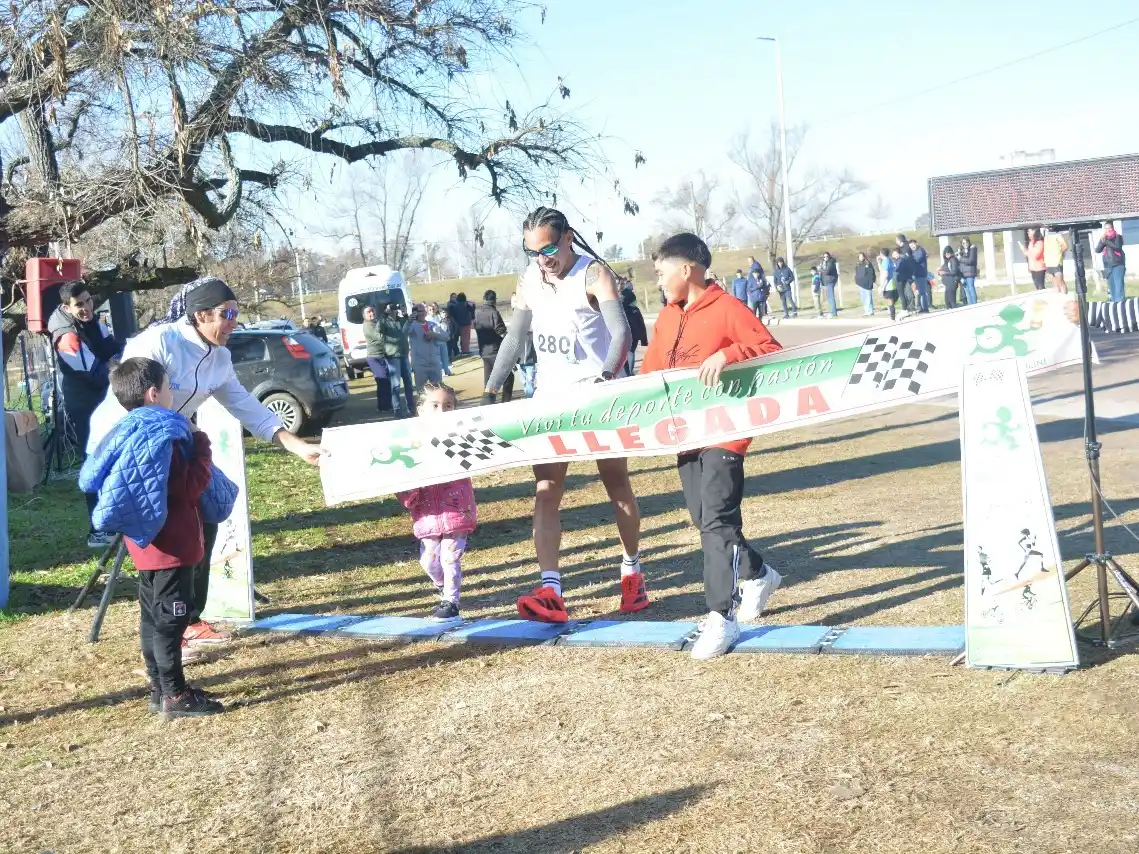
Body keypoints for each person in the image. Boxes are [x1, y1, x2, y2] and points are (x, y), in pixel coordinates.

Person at [86, 277, 324, 659]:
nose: (234, 322)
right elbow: (130, 396)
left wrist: (295, 445)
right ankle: (171, 631)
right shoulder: (160, 342)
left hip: (177, 444)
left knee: (212, 510)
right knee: (175, 535)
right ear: (200, 315)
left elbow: (244, 404)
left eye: (236, 313)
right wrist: (175, 432)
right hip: (133, 446)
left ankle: (189, 618)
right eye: (227, 314)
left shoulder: (221, 357)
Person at [483, 206, 644, 622]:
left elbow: (621, 331)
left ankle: (631, 573)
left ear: (568, 237)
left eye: (550, 248)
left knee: (616, 485)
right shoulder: (530, 279)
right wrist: (488, 392)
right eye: (532, 251)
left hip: (596, 396)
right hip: (550, 400)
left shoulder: (594, 274)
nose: (543, 259)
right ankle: (551, 589)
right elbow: (515, 339)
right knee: (546, 491)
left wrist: (607, 377)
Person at [639, 233, 784, 659]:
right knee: (706, 519)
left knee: (717, 520)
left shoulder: (727, 308)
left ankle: (722, 618)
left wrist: (730, 354)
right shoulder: (667, 316)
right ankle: (759, 575)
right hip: (685, 433)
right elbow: (651, 374)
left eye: (663, 272)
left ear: (686, 270)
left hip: (726, 430)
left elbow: (771, 349)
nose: (660, 280)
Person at [81, 357, 234, 717]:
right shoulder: (165, 434)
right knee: (171, 622)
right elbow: (187, 487)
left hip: (146, 544)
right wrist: (202, 445)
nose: (171, 393)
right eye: (168, 387)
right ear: (154, 393)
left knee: (152, 618)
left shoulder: (128, 429)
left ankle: (159, 689)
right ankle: (176, 695)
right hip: (172, 547)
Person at [48, 281, 124, 548]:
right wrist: (118, 367)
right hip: (85, 404)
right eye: (79, 304)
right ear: (66, 307)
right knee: (94, 460)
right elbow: (93, 373)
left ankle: (112, 521)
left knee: (113, 458)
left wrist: (119, 359)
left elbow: (112, 348)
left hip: (102, 398)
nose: (87, 308)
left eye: (89, 300)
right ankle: (97, 530)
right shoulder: (66, 336)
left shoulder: (93, 321)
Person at [396, 383, 477, 620]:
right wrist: (408, 496)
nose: (442, 411)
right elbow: (401, 477)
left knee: (450, 556)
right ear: (421, 409)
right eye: (435, 405)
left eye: (448, 406)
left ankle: (451, 601)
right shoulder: (409, 443)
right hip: (427, 515)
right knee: (429, 561)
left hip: (456, 510)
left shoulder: (461, 439)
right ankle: (443, 587)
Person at [474, 290, 514, 403]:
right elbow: (501, 330)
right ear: (494, 300)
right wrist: (510, 342)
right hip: (495, 351)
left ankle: (488, 405)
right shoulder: (493, 313)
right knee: (508, 377)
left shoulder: (477, 313)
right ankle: (505, 402)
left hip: (483, 351)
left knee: (488, 381)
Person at [380, 303, 416, 417]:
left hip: (404, 354)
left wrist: (406, 315)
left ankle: (411, 408)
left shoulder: (401, 320)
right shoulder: (384, 322)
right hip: (392, 355)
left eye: (395, 308)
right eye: (391, 309)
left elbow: (407, 329)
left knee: (408, 383)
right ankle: (397, 410)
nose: (393, 311)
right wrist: (384, 315)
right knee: (395, 385)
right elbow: (378, 329)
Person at [361, 306, 392, 413]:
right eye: (368, 312)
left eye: (372, 311)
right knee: (383, 380)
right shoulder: (367, 326)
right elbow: (380, 337)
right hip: (374, 357)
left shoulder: (377, 322)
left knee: (384, 381)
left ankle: (383, 406)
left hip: (383, 355)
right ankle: (386, 406)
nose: (371, 313)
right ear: (364, 316)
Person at [409, 304, 443, 391]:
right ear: (415, 313)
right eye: (420, 311)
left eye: (424, 310)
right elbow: (403, 332)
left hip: (434, 363)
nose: (423, 313)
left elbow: (444, 338)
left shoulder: (432, 324)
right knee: (421, 391)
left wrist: (434, 335)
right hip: (420, 364)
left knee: (438, 390)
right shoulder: (412, 326)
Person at [1095, 222, 1127, 302]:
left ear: (1113, 228)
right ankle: (1113, 303)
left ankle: (1120, 302)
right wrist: (1102, 241)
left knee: (1118, 285)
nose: (1108, 230)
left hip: (1118, 264)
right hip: (1108, 266)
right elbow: (1098, 250)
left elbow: (1117, 247)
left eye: (1109, 228)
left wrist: (1106, 241)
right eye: (1106, 228)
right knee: (1111, 286)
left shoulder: (1118, 237)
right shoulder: (1104, 239)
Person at [622, 287, 648, 375]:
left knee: (630, 353)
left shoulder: (633, 310)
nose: (635, 302)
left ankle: (629, 372)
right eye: (633, 300)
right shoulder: (622, 311)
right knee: (629, 353)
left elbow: (641, 325)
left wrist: (644, 340)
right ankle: (628, 372)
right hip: (627, 337)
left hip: (634, 337)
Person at [428, 305, 453, 376]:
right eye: (430, 309)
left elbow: (444, 328)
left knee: (445, 356)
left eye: (433, 309)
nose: (432, 310)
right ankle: (441, 372)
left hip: (442, 340)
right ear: (428, 311)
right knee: (438, 358)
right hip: (434, 341)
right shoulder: (427, 319)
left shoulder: (438, 317)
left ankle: (447, 370)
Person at [1043, 229, 1069, 295]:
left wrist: (1058, 253)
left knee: (1060, 281)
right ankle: (1057, 298)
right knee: (1054, 283)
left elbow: (1065, 246)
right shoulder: (1046, 235)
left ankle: (1065, 297)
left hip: (1056, 261)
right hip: (1048, 262)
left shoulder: (1057, 235)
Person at [908, 238, 931, 312]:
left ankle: (925, 308)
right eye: (910, 246)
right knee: (918, 292)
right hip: (915, 274)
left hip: (921, 274)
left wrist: (909, 259)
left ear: (916, 243)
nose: (912, 247)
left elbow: (917, 260)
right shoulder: (912, 252)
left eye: (913, 245)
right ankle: (920, 307)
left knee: (922, 292)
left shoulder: (921, 250)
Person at [937, 245, 961, 309]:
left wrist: (945, 273)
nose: (947, 255)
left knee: (951, 300)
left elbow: (954, 271)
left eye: (948, 253)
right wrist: (940, 272)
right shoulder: (947, 261)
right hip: (948, 283)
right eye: (945, 254)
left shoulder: (953, 260)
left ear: (951, 253)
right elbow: (945, 269)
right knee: (947, 301)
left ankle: (955, 312)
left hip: (952, 281)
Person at [450, 292, 474, 356]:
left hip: (458, 323)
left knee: (461, 338)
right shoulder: (466, 304)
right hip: (466, 323)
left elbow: (454, 314)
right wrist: (473, 305)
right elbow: (472, 310)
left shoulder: (456, 305)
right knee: (466, 338)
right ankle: (465, 351)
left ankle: (461, 350)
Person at [957, 237, 979, 305]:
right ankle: (970, 305)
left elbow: (971, 261)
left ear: (969, 242)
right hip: (963, 273)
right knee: (966, 290)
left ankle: (974, 304)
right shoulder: (961, 251)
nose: (965, 244)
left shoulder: (972, 249)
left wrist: (960, 258)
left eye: (966, 242)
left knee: (971, 287)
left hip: (970, 272)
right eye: (963, 243)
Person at [854, 251, 876, 316]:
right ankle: (867, 310)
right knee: (864, 297)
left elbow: (872, 273)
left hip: (868, 283)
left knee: (868, 297)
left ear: (864, 257)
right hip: (861, 283)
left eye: (862, 256)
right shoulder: (857, 265)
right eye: (860, 256)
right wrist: (857, 280)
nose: (861, 257)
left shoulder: (868, 264)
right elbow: (857, 274)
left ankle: (870, 310)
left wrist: (872, 281)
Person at [820, 251, 839, 318]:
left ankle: (834, 313)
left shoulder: (830, 262)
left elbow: (827, 271)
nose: (825, 258)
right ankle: (832, 311)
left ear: (829, 256)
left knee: (831, 297)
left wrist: (821, 269)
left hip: (830, 280)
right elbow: (823, 272)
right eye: (824, 257)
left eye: (827, 256)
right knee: (828, 297)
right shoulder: (824, 263)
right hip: (826, 281)